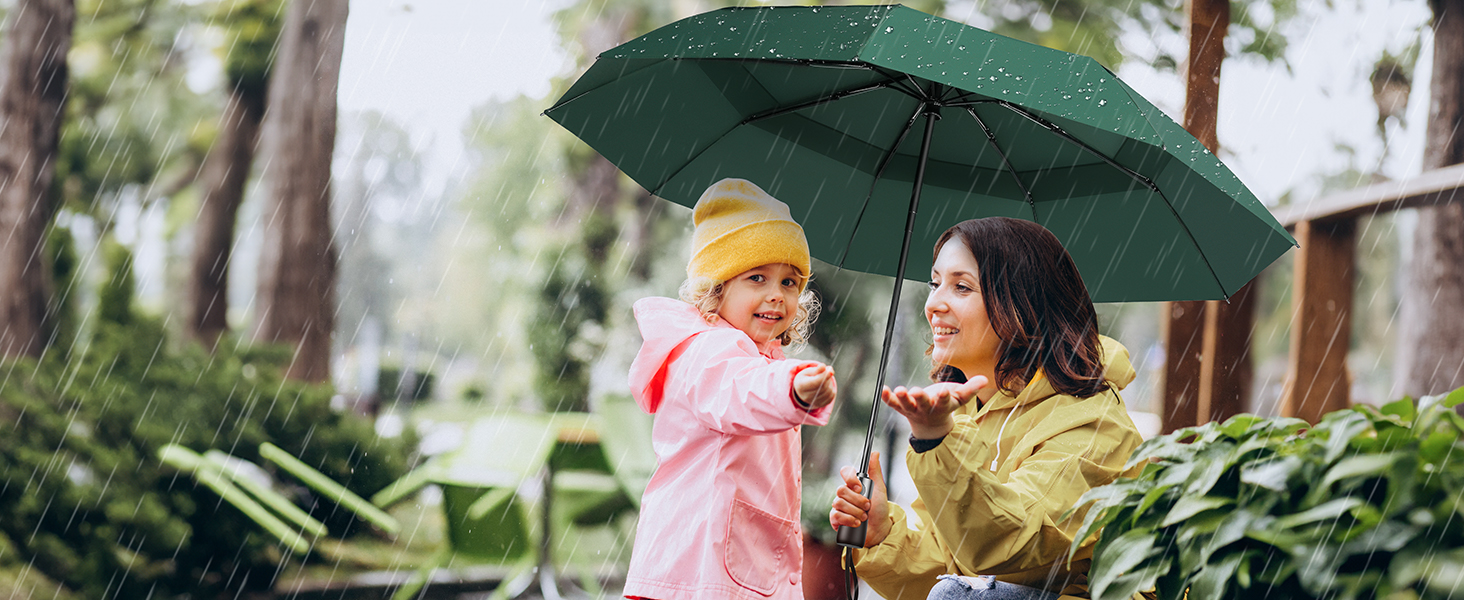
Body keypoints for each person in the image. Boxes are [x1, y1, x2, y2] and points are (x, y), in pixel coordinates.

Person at [829, 217, 1145, 600]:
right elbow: (953, 566)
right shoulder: (967, 411)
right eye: (935, 283)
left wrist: (934, 442)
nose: (934, 304)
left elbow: (1011, 547)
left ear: (1023, 302)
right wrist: (883, 534)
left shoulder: (1091, 420)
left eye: (961, 287)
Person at [624, 178, 839, 600]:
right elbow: (739, 392)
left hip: (723, 567)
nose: (776, 295)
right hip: (699, 570)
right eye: (757, 278)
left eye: (790, 282)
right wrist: (793, 389)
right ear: (716, 288)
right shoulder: (706, 351)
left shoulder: (759, 357)